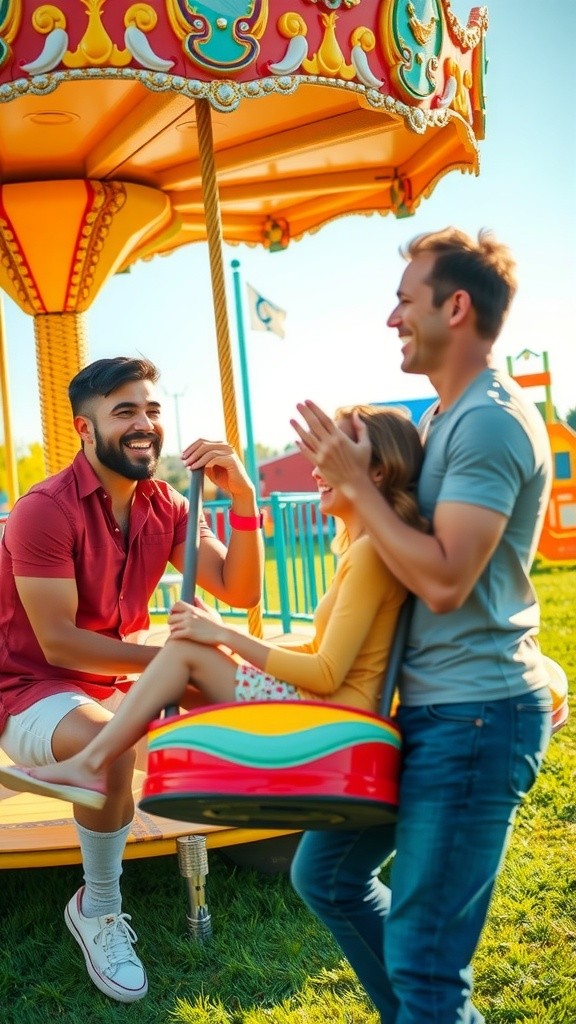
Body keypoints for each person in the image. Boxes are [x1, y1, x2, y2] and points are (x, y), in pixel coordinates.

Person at [288, 228, 554, 1024]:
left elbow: (444, 581)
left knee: (429, 965)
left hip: (476, 717)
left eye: (406, 300)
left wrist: (354, 487)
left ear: (457, 306)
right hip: (430, 713)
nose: (391, 317)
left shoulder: (491, 423)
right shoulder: (442, 420)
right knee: (325, 877)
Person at [0, 403, 426, 805]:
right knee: (187, 656)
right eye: (126, 411)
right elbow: (325, 658)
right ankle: (102, 763)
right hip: (328, 707)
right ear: (85, 428)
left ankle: (92, 764)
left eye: (335, 458)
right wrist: (223, 645)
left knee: (185, 649)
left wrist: (222, 637)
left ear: (377, 471)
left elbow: (326, 672)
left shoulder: (369, 555)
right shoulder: (360, 550)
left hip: (330, 723)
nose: (317, 471)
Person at [0, 356, 264, 1004]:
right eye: (125, 412)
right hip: (35, 689)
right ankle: (99, 908)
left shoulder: (168, 504)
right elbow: (59, 641)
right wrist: (170, 662)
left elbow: (241, 587)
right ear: (83, 430)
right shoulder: (43, 511)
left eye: (151, 410)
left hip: (117, 676)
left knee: (232, 683)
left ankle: (299, 807)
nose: (145, 424)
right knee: (110, 746)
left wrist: (246, 500)